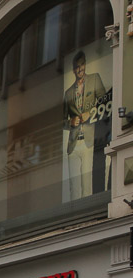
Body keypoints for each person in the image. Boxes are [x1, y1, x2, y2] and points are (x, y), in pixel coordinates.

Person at [63, 51, 108, 201]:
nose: (80, 69)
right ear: (73, 69)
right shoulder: (68, 93)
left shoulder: (94, 79)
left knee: (87, 184)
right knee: (73, 187)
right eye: (77, 67)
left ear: (85, 64)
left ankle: (87, 215)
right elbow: (62, 120)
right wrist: (70, 122)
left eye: (82, 65)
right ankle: (73, 217)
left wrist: (91, 113)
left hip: (89, 139)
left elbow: (105, 102)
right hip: (74, 144)